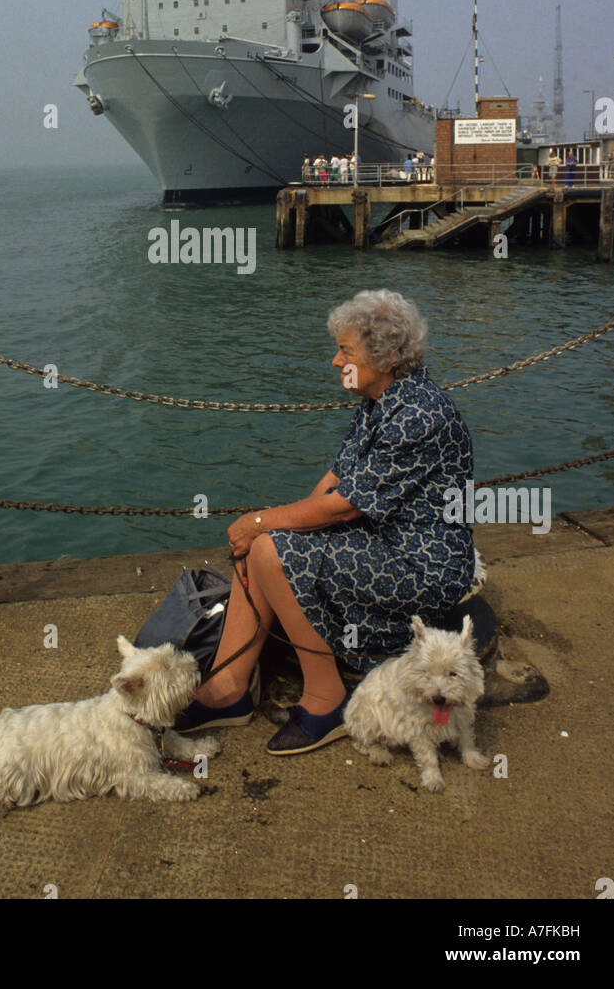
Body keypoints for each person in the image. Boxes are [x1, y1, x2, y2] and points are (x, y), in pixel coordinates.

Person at [174, 290, 478, 756]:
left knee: (268, 546)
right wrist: (271, 530)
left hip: (421, 567)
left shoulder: (418, 414)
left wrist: (261, 525)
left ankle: (326, 697)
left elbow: (345, 506)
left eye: (346, 351)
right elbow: (333, 482)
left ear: (388, 357)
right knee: (265, 546)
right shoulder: (379, 400)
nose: (336, 361)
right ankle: (229, 686)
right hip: (383, 541)